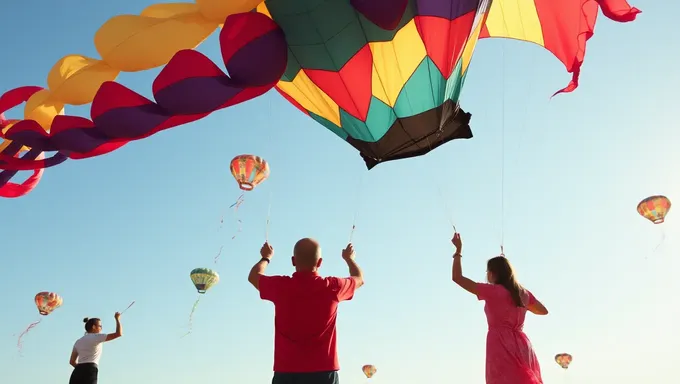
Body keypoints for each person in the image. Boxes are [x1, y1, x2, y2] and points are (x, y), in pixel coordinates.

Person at [247, 238, 364, 384]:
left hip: (286, 372)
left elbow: (253, 276)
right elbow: (359, 278)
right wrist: (349, 259)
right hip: (324, 372)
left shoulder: (281, 287)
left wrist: (266, 257)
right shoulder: (333, 287)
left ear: (293, 261)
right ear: (320, 262)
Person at [450, 232, 548, 384]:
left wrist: (458, 251)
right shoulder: (523, 293)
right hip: (522, 345)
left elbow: (457, 278)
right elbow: (543, 311)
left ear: (493, 273)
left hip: (500, 343)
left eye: (488, 271)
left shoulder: (493, 291)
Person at [68, 312, 123, 384]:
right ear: (94, 327)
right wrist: (117, 319)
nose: (101, 328)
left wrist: (81, 369)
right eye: (100, 326)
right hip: (90, 369)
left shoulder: (78, 341)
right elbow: (118, 334)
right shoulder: (97, 337)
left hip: (77, 372)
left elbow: (72, 361)